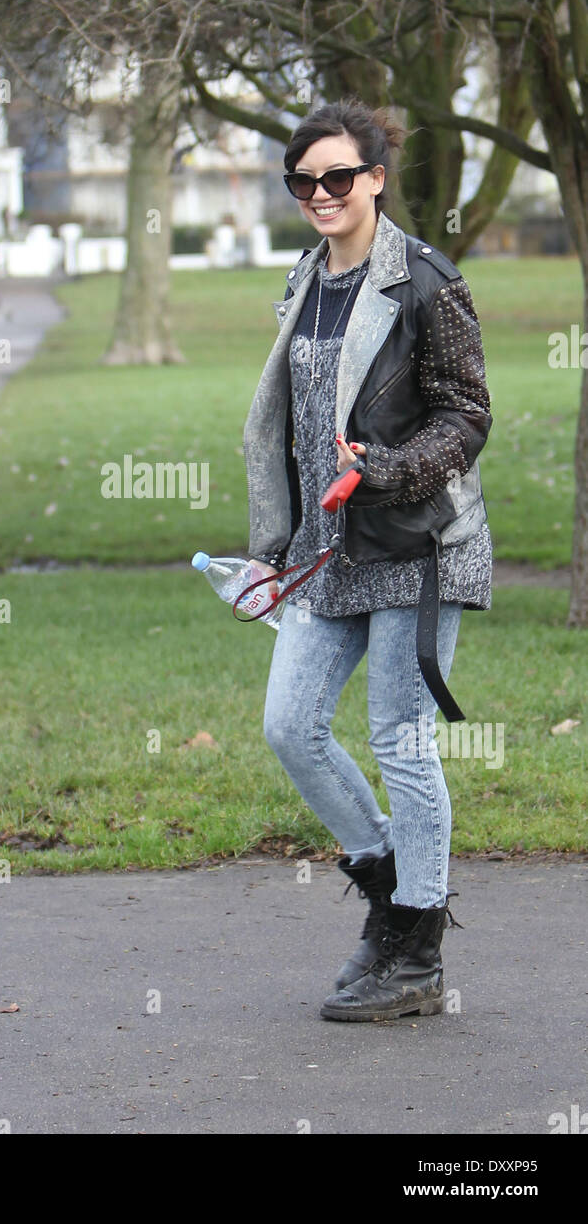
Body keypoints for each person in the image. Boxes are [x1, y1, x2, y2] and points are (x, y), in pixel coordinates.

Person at [243, 97, 493, 1021]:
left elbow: (468, 415)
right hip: (326, 548)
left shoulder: (426, 281)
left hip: (420, 543)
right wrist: (275, 542)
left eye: (338, 177)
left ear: (376, 179)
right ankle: (395, 889)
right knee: (290, 727)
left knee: (400, 739)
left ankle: (417, 955)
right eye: (304, 180)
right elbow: (297, 424)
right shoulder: (304, 279)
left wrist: (383, 471)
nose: (321, 193)